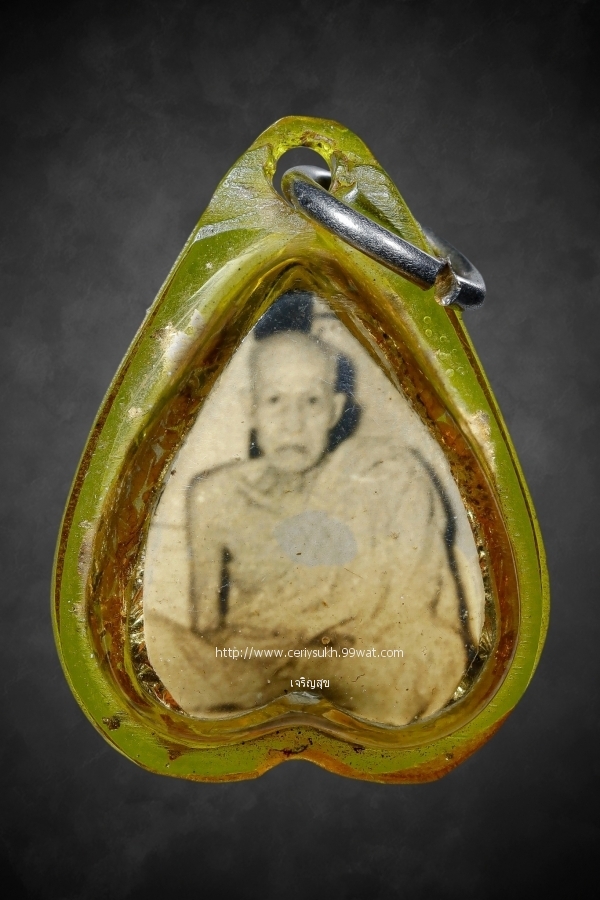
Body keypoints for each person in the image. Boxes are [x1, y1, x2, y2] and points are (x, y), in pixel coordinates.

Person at [145, 315, 469, 726]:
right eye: (275, 400)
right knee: (159, 640)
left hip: (356, 657)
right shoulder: (214, 495)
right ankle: (297, 691)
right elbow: (206, 633)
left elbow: (415, 610)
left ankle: (295, 692)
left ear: (334, 410)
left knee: (430, 654)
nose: (293, 422)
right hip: (255, 662)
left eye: (311, 401)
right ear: (250, 408)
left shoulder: (386, 476)